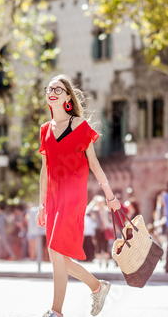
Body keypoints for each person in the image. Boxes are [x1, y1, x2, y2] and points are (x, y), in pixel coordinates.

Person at [37, 75, 121, 317]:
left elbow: (93, 164)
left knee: (56, 252)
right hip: (53, 198)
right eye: (49, 88)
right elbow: (46, 169)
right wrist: (42, 205)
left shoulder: (79, 125)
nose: (52, 92)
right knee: (56, 256)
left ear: (67, 98)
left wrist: (109, 195)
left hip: (73, 196)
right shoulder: (44, 130)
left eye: (58, 89)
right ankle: (97, 286)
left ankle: (56, 311)